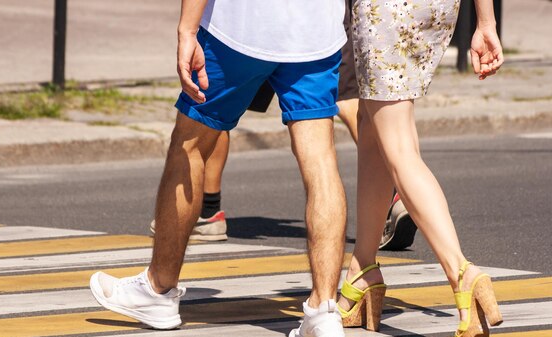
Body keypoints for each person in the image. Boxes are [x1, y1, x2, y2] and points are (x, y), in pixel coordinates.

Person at [90, 0, 350, 337]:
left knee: (189, 147)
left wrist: (187, 29)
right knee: (320, 159)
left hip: (241, 29)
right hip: (314, 30)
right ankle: (324, 309)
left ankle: (158, 289)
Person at [158, 0, 418, 251]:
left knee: (212, 109)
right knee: (324, 143)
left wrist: (187, 28)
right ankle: (394, 189)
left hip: (250, 25)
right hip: (314, 27)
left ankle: (208, 212)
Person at [337, 0, 505, 337]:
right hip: (437, 7)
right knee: (373, 127)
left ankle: (462, 273)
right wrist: (485, 21)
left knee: (399, 147)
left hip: (386, 9)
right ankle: (362, 267)